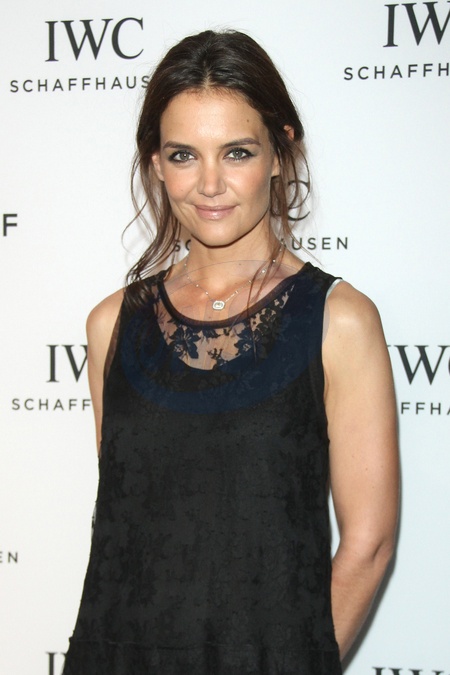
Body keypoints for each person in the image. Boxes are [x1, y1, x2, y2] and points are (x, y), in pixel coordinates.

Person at [62, 29, 399, 675]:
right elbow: (135, 528)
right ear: (157, 164)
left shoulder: (338, 319)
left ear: (280, 151)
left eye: (237, 152)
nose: (210, 183)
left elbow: (369, 544)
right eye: (184, 155)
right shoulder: (112, 324)